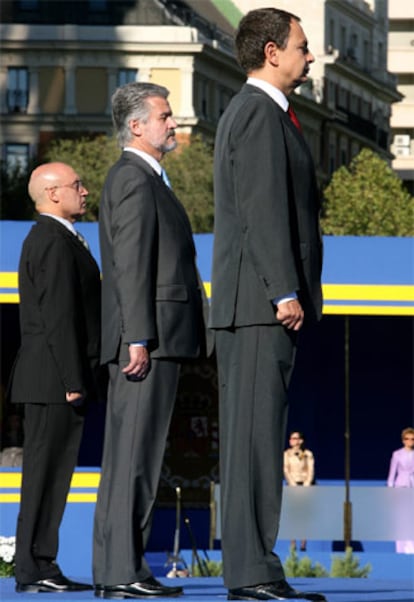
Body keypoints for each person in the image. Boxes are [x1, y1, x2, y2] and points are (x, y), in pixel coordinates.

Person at [209, 8, 324, 602]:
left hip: (260, 305)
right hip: (258, 306)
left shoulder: (267, 113)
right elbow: (261, 211)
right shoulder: (257, 113)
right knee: (254, 444)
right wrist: (284, 290)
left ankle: (258, 567)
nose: (312, 57)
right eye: (304, 47)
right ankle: (251, 574)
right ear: (273, 51)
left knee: (259, 441)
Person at [93, 82, 208, 599]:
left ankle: (116, 570)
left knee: (132, 459)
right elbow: (131, 264)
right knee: (136, 459)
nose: (173, 124)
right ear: (136, 125)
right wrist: (137, 336)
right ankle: (123, 572)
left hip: (154, 339)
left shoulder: (143, 178)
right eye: (164, 115)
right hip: (148, 342)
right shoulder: (135, 179)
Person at [8, 162, 101, 593]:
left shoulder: (62, 238)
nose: (85, 191)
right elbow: (59, 316)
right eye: (76, 185)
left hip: (56, 378)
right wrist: (72, 379)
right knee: (44, 475)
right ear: (52, 194)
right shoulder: (50, 240)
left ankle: (42, 563)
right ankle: (32, 567)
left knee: (55, 474)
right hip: (52, 381)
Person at [283, 431, 315, 552]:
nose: (292, 440)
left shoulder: (307, 454)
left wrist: (306, 485)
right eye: (291, 438)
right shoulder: (286, 454)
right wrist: (293, 485)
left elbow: (310, 470)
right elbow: (286, 470)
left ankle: (303, 543)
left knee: (304, 516)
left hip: (305, 486)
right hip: (292, 486)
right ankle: (292, 543)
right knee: (292, 516)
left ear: (301, 440)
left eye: (295, 438)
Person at [387, 426, 414, 554]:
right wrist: (390, 492)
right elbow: (392, 474)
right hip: (401, 487)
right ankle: (401, 550)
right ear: (403, 440)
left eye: (412, 439)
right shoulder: (397, 454)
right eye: (407, 439)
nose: (410, 441)